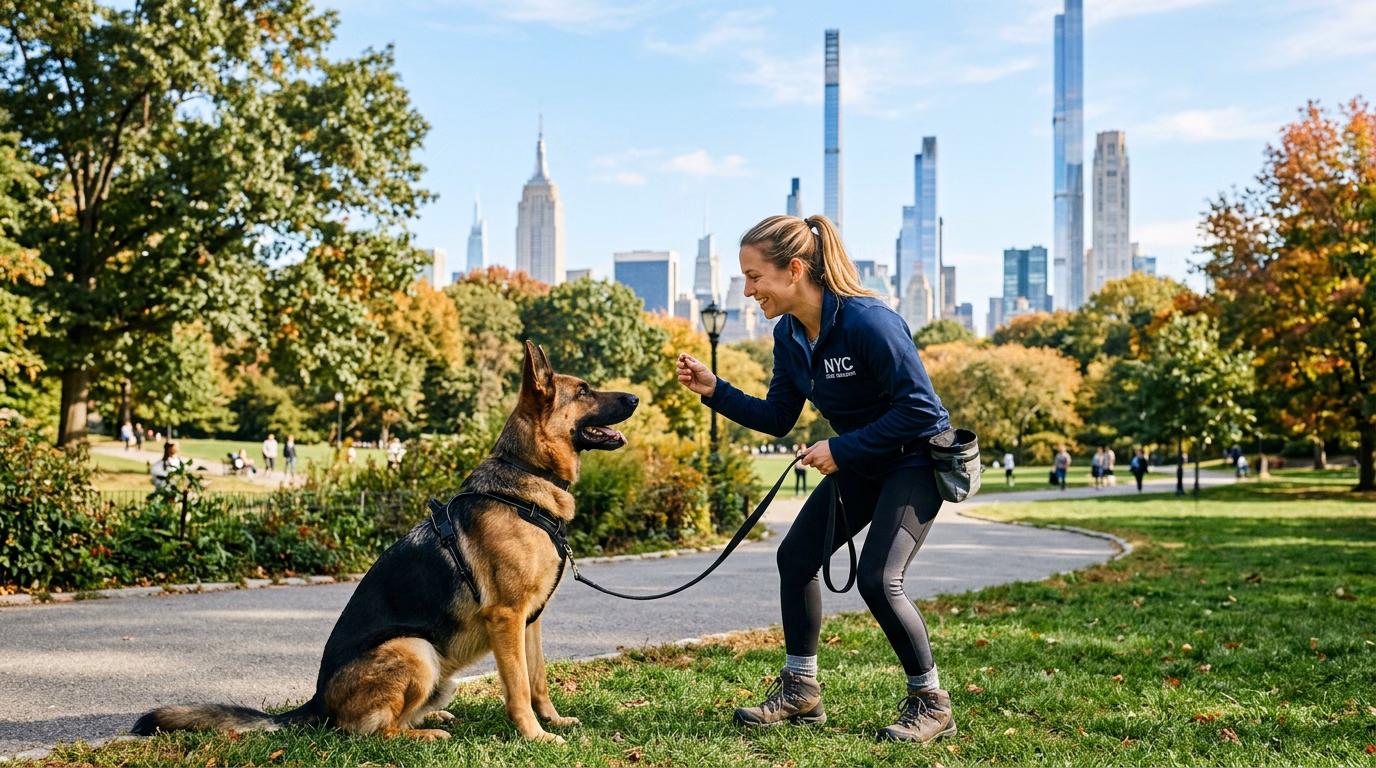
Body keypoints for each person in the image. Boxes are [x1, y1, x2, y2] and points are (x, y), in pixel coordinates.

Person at [675, 214, 956, 744]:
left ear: (795, 269)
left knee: (878, 579)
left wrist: (841, 448)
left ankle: (931, 702)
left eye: (754, 276)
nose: (748, 290)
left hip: (916, 461)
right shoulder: (789, 335)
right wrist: (716, 389)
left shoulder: (869, 322)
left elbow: (921, 411)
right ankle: (801, 689)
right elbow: (779, 416)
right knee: (796, 557)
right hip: (863, 462)